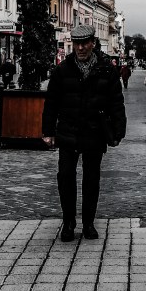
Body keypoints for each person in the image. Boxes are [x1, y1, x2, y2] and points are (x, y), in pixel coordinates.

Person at [41, 24, 127, 243]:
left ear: (93, 43)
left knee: (92, 179)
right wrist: (48, 131)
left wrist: (118, 130)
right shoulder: (63, 70)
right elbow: (51, 103)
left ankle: (88, 222)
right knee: (65, 177)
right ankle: (69, 222)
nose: (80, 48)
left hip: (94, 131)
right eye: (77, 44)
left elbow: (116, 102)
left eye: (84, 43)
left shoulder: (106, 69)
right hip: (68, 131)